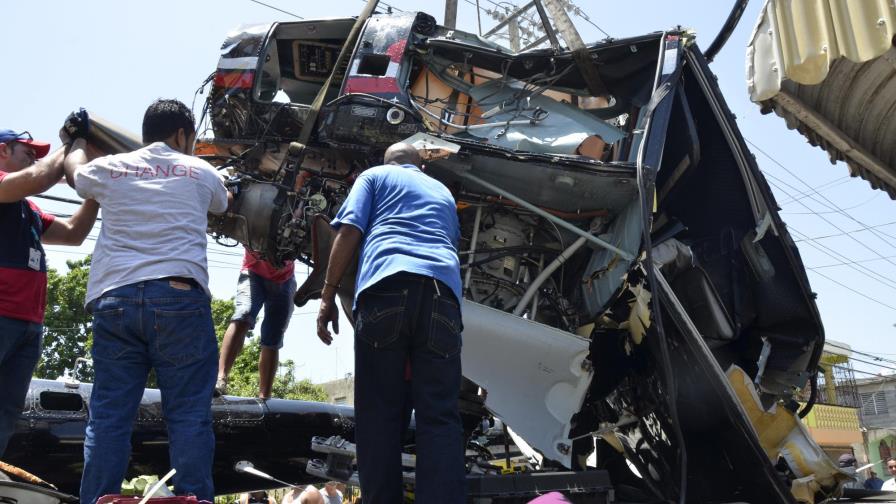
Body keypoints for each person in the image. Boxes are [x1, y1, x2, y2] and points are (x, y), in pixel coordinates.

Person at [65, 99, 230, 504]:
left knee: (108, 416)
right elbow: (224, 203)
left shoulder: (111, 168)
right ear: (182, 135)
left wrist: (76, 142)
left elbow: (76, 175)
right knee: (189, 415)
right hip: (179, 299)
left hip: (114, 301)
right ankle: (195, 498)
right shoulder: (201, 170)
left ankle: (96, 499)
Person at [316, 143, 465, 503]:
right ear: (421, 168)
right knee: (440, 418)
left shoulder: (374, 176)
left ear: (387, 162)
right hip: (442, 298)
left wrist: (327, 294)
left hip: (386, 289)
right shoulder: (442, 192)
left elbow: (348, 231)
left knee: (379, 418)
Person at [0, 128, 99, 458]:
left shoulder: (26, 209)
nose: (34, 157)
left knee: (5, 414)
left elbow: (73, 234)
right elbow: (40, 177)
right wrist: (74, 146)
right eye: (26, 150)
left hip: (27, 325)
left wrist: (95, 191)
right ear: (2, 151)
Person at [217, 248, 296, 398]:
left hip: (284, 279)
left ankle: (264, 397)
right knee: (244, 313)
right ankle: (220, 378)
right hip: (253, 273)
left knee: (273, 336)